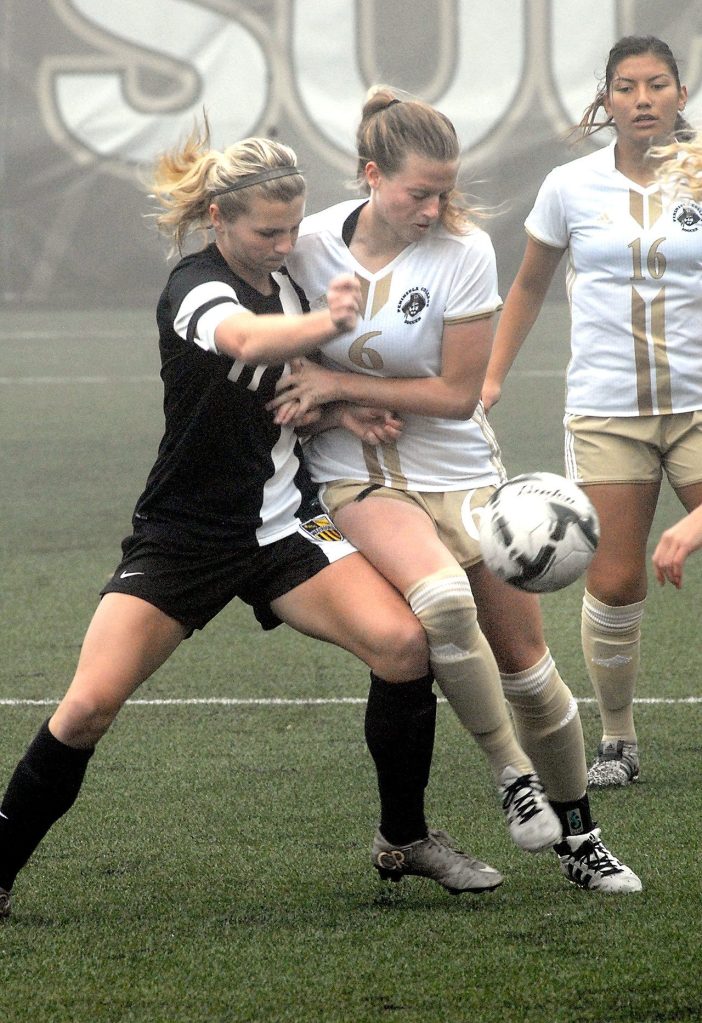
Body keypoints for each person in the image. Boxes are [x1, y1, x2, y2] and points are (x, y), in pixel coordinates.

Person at [0, 122, 513, 921]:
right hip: (184, 538)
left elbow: (293, 394)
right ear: (219, 220)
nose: (283, 246)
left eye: (290, 229)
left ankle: (404, 839)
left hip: (283, 528)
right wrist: (321, 329)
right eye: (266, 232)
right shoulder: (196, 287)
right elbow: (247, 338)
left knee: (404, 645)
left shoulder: (299, 283)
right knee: (90, 704)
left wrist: (344, 404)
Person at [270, 86, 641, 892]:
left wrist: (335, 384)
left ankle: (582, 838)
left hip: (465, 474)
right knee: (439, 602)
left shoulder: (466, 251)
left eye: (446, 191)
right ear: (372, 174)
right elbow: (264, 334)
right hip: (357, 475)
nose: (435, 208)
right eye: (419, 193)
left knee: (531, 668)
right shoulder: (306, 245)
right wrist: (325, 397)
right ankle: (512, 778)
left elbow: (456, 395)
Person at [481, 35, 702, 788]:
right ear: (605, 100)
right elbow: (529, 287)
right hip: (608, 412)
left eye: (658, 85)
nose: (643, 99)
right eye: (627, 86)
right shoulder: (568, 185)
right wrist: (492, 377)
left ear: (680, 93)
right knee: (612, 581)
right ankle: (618, 740)